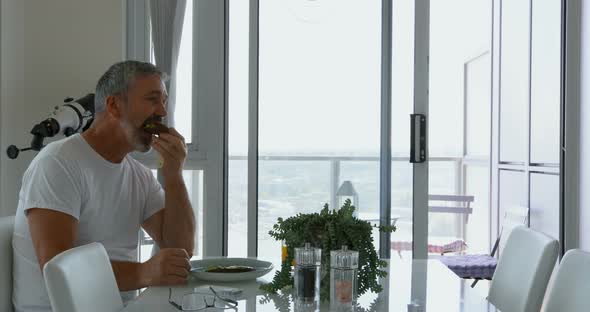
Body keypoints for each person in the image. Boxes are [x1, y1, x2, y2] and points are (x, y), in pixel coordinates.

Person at [11, 60, 196, 311]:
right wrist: (143, 272)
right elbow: (57, 267)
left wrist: (174, 176)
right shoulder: (57, 164)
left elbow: (181, 249)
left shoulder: (138, 175)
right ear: (114, 105)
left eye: (164, 101)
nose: (162, 112)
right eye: (153, 99)